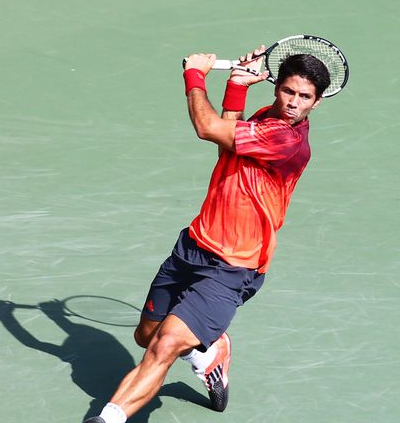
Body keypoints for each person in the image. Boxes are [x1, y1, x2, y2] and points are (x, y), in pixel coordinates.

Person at [84, 46, 331, 423]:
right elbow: (226, 146)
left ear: (316, 103)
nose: (294, 103)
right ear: (276, 88)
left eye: (304, 97)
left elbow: (208, 128)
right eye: (289, 91)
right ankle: (207, 352)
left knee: (164, 346)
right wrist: (236, 86)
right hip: (193, 246)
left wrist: (195, 76)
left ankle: (109, 417)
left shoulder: (287, 140)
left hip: (233, 267)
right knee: (147, 336)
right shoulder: (268, 118)